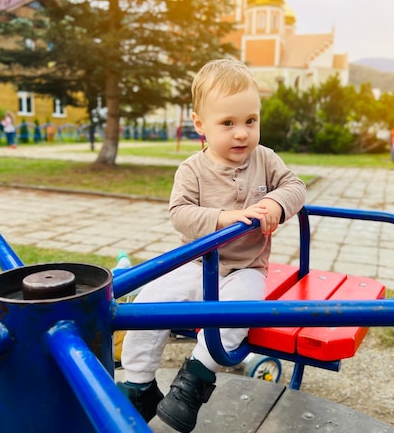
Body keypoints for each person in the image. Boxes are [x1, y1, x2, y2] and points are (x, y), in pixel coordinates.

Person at [117, 59, 307, 432]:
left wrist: (275, 203)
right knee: (147, 306)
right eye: (228, 123)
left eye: (250, 121)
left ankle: (193, 383)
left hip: (245, 268)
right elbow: (180, 214)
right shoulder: (192, 169)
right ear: (200, 125)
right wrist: (222, 218)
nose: (241, 134)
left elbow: (296, 187)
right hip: (196, 263)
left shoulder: (265, 159)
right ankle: (138, 384)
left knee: (239, 314)